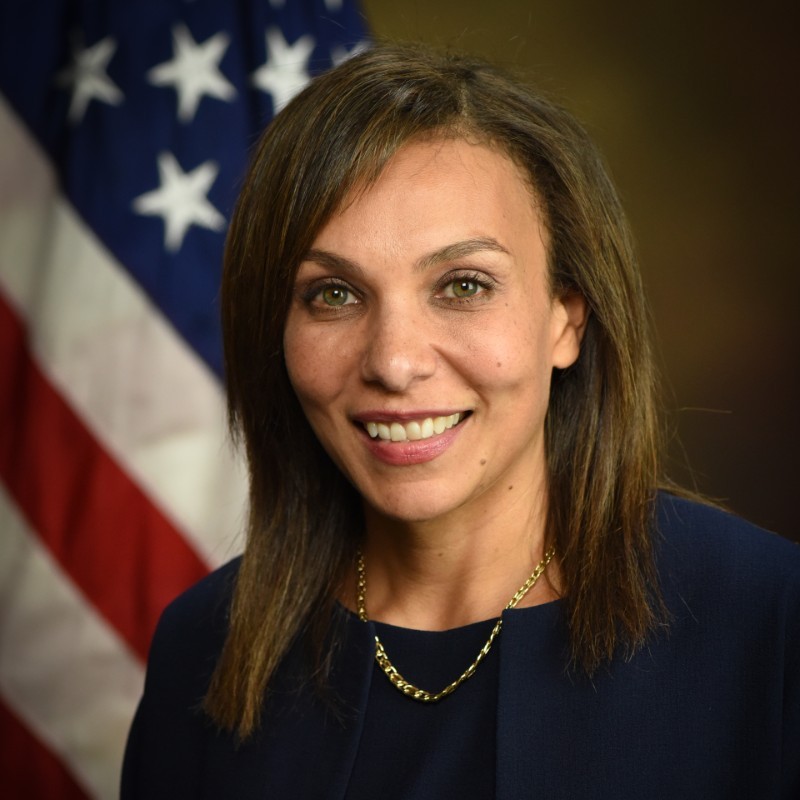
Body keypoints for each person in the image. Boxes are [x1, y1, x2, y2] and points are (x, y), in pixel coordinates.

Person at [121, 44, 800, 799]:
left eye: (464, 284)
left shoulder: (769, 623)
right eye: (334, 294)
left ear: (566, 321)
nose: (395, 362)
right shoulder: (201, 648)